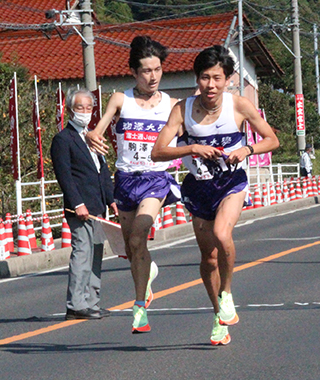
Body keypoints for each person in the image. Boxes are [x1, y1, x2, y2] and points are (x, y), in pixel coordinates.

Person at [151, 45, 279, 346]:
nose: (211, 85)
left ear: (228, 79)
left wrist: (246, 149)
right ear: (197, 78)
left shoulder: (240, 106)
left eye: (217, 78)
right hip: (198, 188)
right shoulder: (182, 110)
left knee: (223, 235)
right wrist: (192, 148)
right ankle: (218, 314)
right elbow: (158, 151)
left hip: (231, 183)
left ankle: (228, 292)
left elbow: (273, 140)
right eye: (205, 78)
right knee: (208, 259)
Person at [85, 36, 180, 333]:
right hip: (125, 179)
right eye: (146, 71)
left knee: (139, 235)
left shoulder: (173, 105)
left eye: (157, 69)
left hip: (156, 178)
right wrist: (92, 136)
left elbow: (191, 135)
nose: (153, 77)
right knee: (131, 246)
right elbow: (96, 130)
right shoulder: (120, 99)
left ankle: (139, 307)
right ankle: (147, 275)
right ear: (134, 73)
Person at [51, 88, 118, 320]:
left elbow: (103, 172)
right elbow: (65, 176)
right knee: (82, 252)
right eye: (80, 108)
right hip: (79, 207)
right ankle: (76, 304)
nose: (85, 112)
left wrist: (111, 200)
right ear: (70, 110)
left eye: (89, 108)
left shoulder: (93, 136)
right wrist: (77, 203)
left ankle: (92, 302)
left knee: (96, 253)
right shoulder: (62, 139)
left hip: (98, 205)